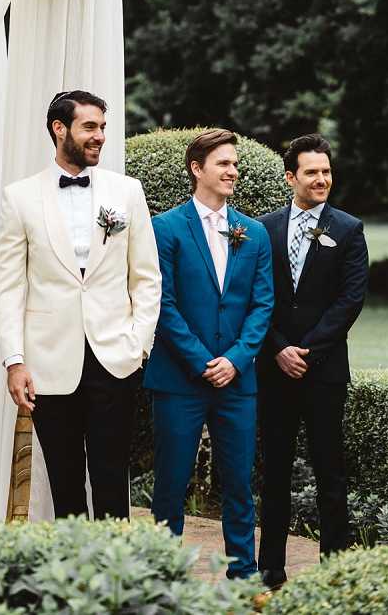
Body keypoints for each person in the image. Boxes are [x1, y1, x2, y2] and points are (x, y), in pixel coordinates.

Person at [0, 90, 161, 520]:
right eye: (90, 126)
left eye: (103, 127)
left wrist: (137, 345)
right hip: (49, 363)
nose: (100, 136)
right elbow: (8, 287)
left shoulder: (127, 192)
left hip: (115, 359)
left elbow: (146, 277)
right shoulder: (20, 197)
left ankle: (114, 583)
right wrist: (15, 360)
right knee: (65, 484)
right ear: (59, 129)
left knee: (111, 482)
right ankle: (75, 582)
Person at [144, 128, 274, 578]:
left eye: (235, 163)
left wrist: (235, 359)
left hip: (238, 382)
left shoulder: (253, 233)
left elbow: (262, 305)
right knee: (171, 484)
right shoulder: (164, 228)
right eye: (223, 163)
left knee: (239, 484)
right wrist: (202, 361)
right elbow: (163, 303)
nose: (233, 171)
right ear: (197, 169)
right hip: (179, 381)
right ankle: (163, 575)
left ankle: (243, 574)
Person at [257, 134, 369, 589]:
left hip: (323, 372)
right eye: (312, 172)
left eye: (326, 171)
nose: (321, 179)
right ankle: (270, 568)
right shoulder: (264, 228)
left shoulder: (349, 229)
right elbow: (256, 297)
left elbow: (350, 300)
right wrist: (279, 347)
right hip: (274, 369)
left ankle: (335, 568)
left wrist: (307, 351)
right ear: (291, 177)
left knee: (329, 471)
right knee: (275, 470)